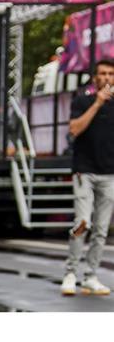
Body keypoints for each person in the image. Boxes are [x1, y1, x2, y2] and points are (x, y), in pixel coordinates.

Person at [61, 59, 114, 297]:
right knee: (83, 223)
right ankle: (70, 273)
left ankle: (90, 276)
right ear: (95, 78)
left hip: (109, 173)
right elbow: (74, 129)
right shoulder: (83, 101)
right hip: (85, 171)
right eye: (102, 74)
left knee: (101, 229)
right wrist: (98, 103)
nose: (106, 78)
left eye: (111, 74)